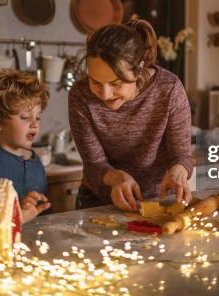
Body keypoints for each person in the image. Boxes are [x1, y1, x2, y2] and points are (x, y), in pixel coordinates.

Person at [69, 18, 193, 211]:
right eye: (95, 81)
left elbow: (181, 155)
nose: (104, 94)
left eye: (115, 83)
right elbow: (94, 163)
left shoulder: (169, 90)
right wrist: (117, 178)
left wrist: (178, 172)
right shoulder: (80, 94)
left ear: (138, 71)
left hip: (157, 202)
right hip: (98, 202)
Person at [0, 69, 51, 223]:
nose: (34, 125)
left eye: (37, 117)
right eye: (25, 117)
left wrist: (33, 206)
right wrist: (18, 216)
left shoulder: (35, 161)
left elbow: (40, 212)